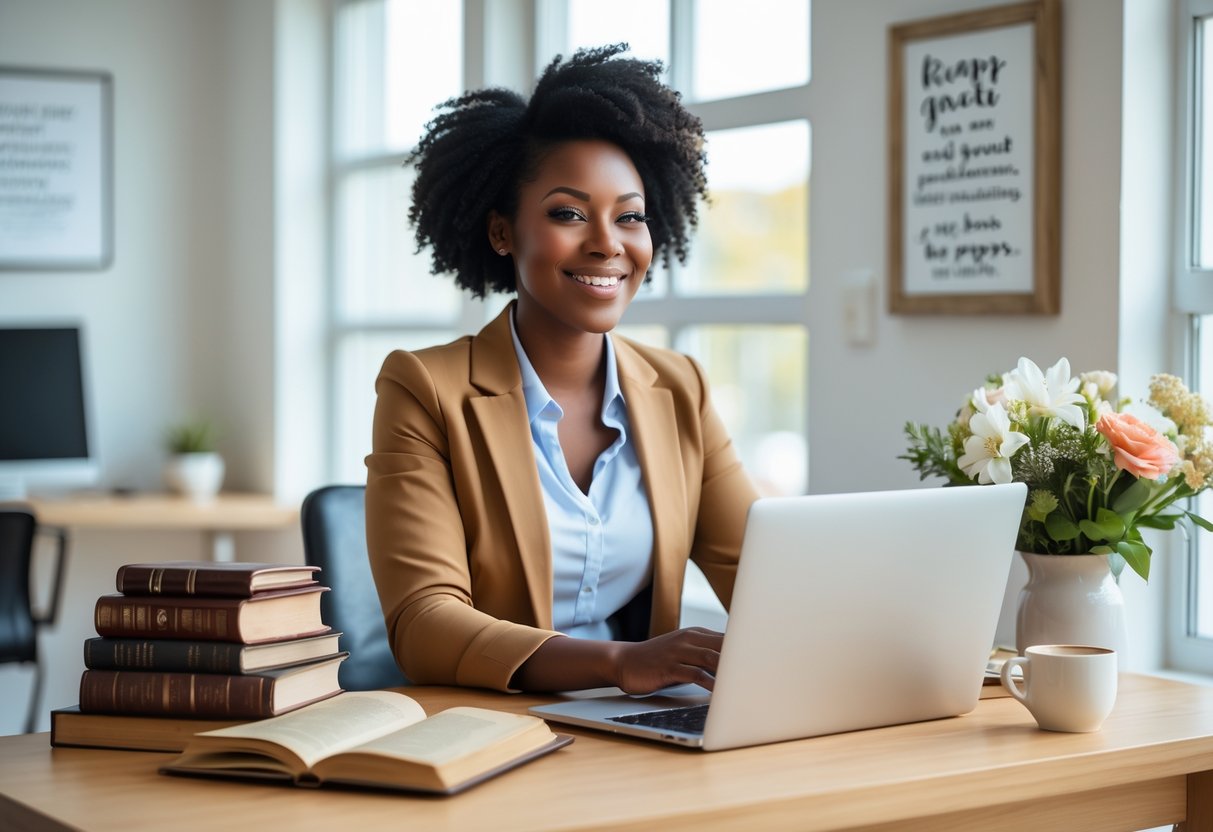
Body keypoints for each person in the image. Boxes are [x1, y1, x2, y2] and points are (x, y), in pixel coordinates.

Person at [365, 44, 759, 695]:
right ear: (501, 233)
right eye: (568, 214)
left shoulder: (677, 388)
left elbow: (764, 577)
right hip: (494, 733)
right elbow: (423, 623)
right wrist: (619, 664)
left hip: (641, 731)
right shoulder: (424, 389)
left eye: (628, 216)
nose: (607, 242)